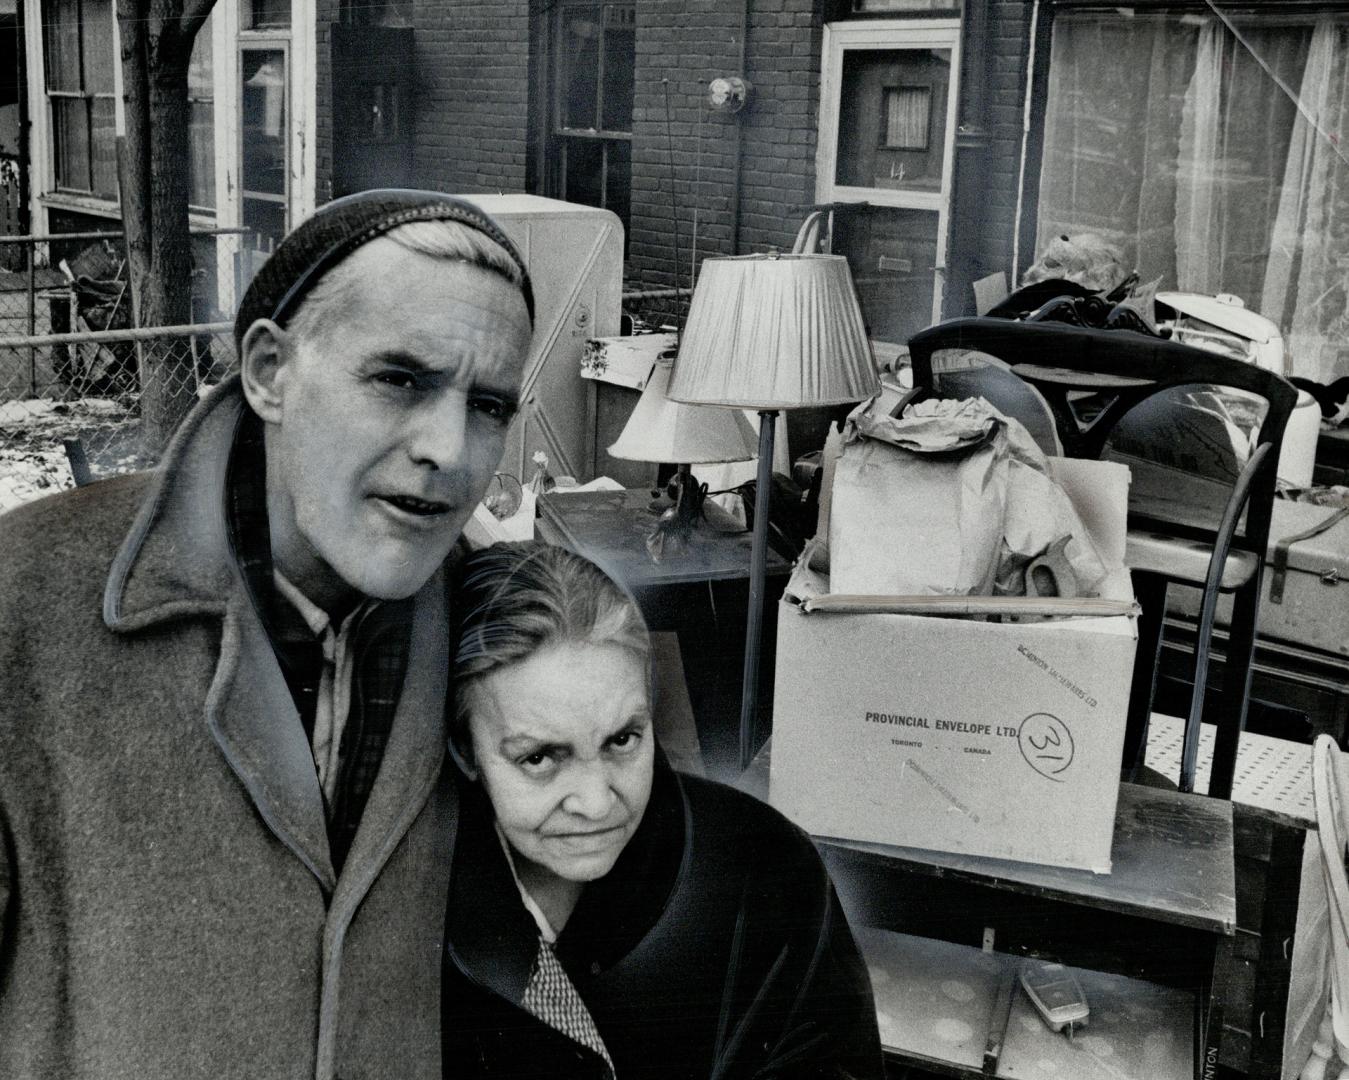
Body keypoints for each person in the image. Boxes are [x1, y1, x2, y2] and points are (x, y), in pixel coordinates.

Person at [0, 191, 534, 1079]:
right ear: (268, 372)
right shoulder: (22, 603)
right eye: (399, 379)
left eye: (488, 406)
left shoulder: (499, 625)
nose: (449, 446)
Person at [442, 540, 884, 1080]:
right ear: (465, 750)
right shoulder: (411, 900)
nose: (597, 801)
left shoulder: (771, 871)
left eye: (622, 740)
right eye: (538, 758)